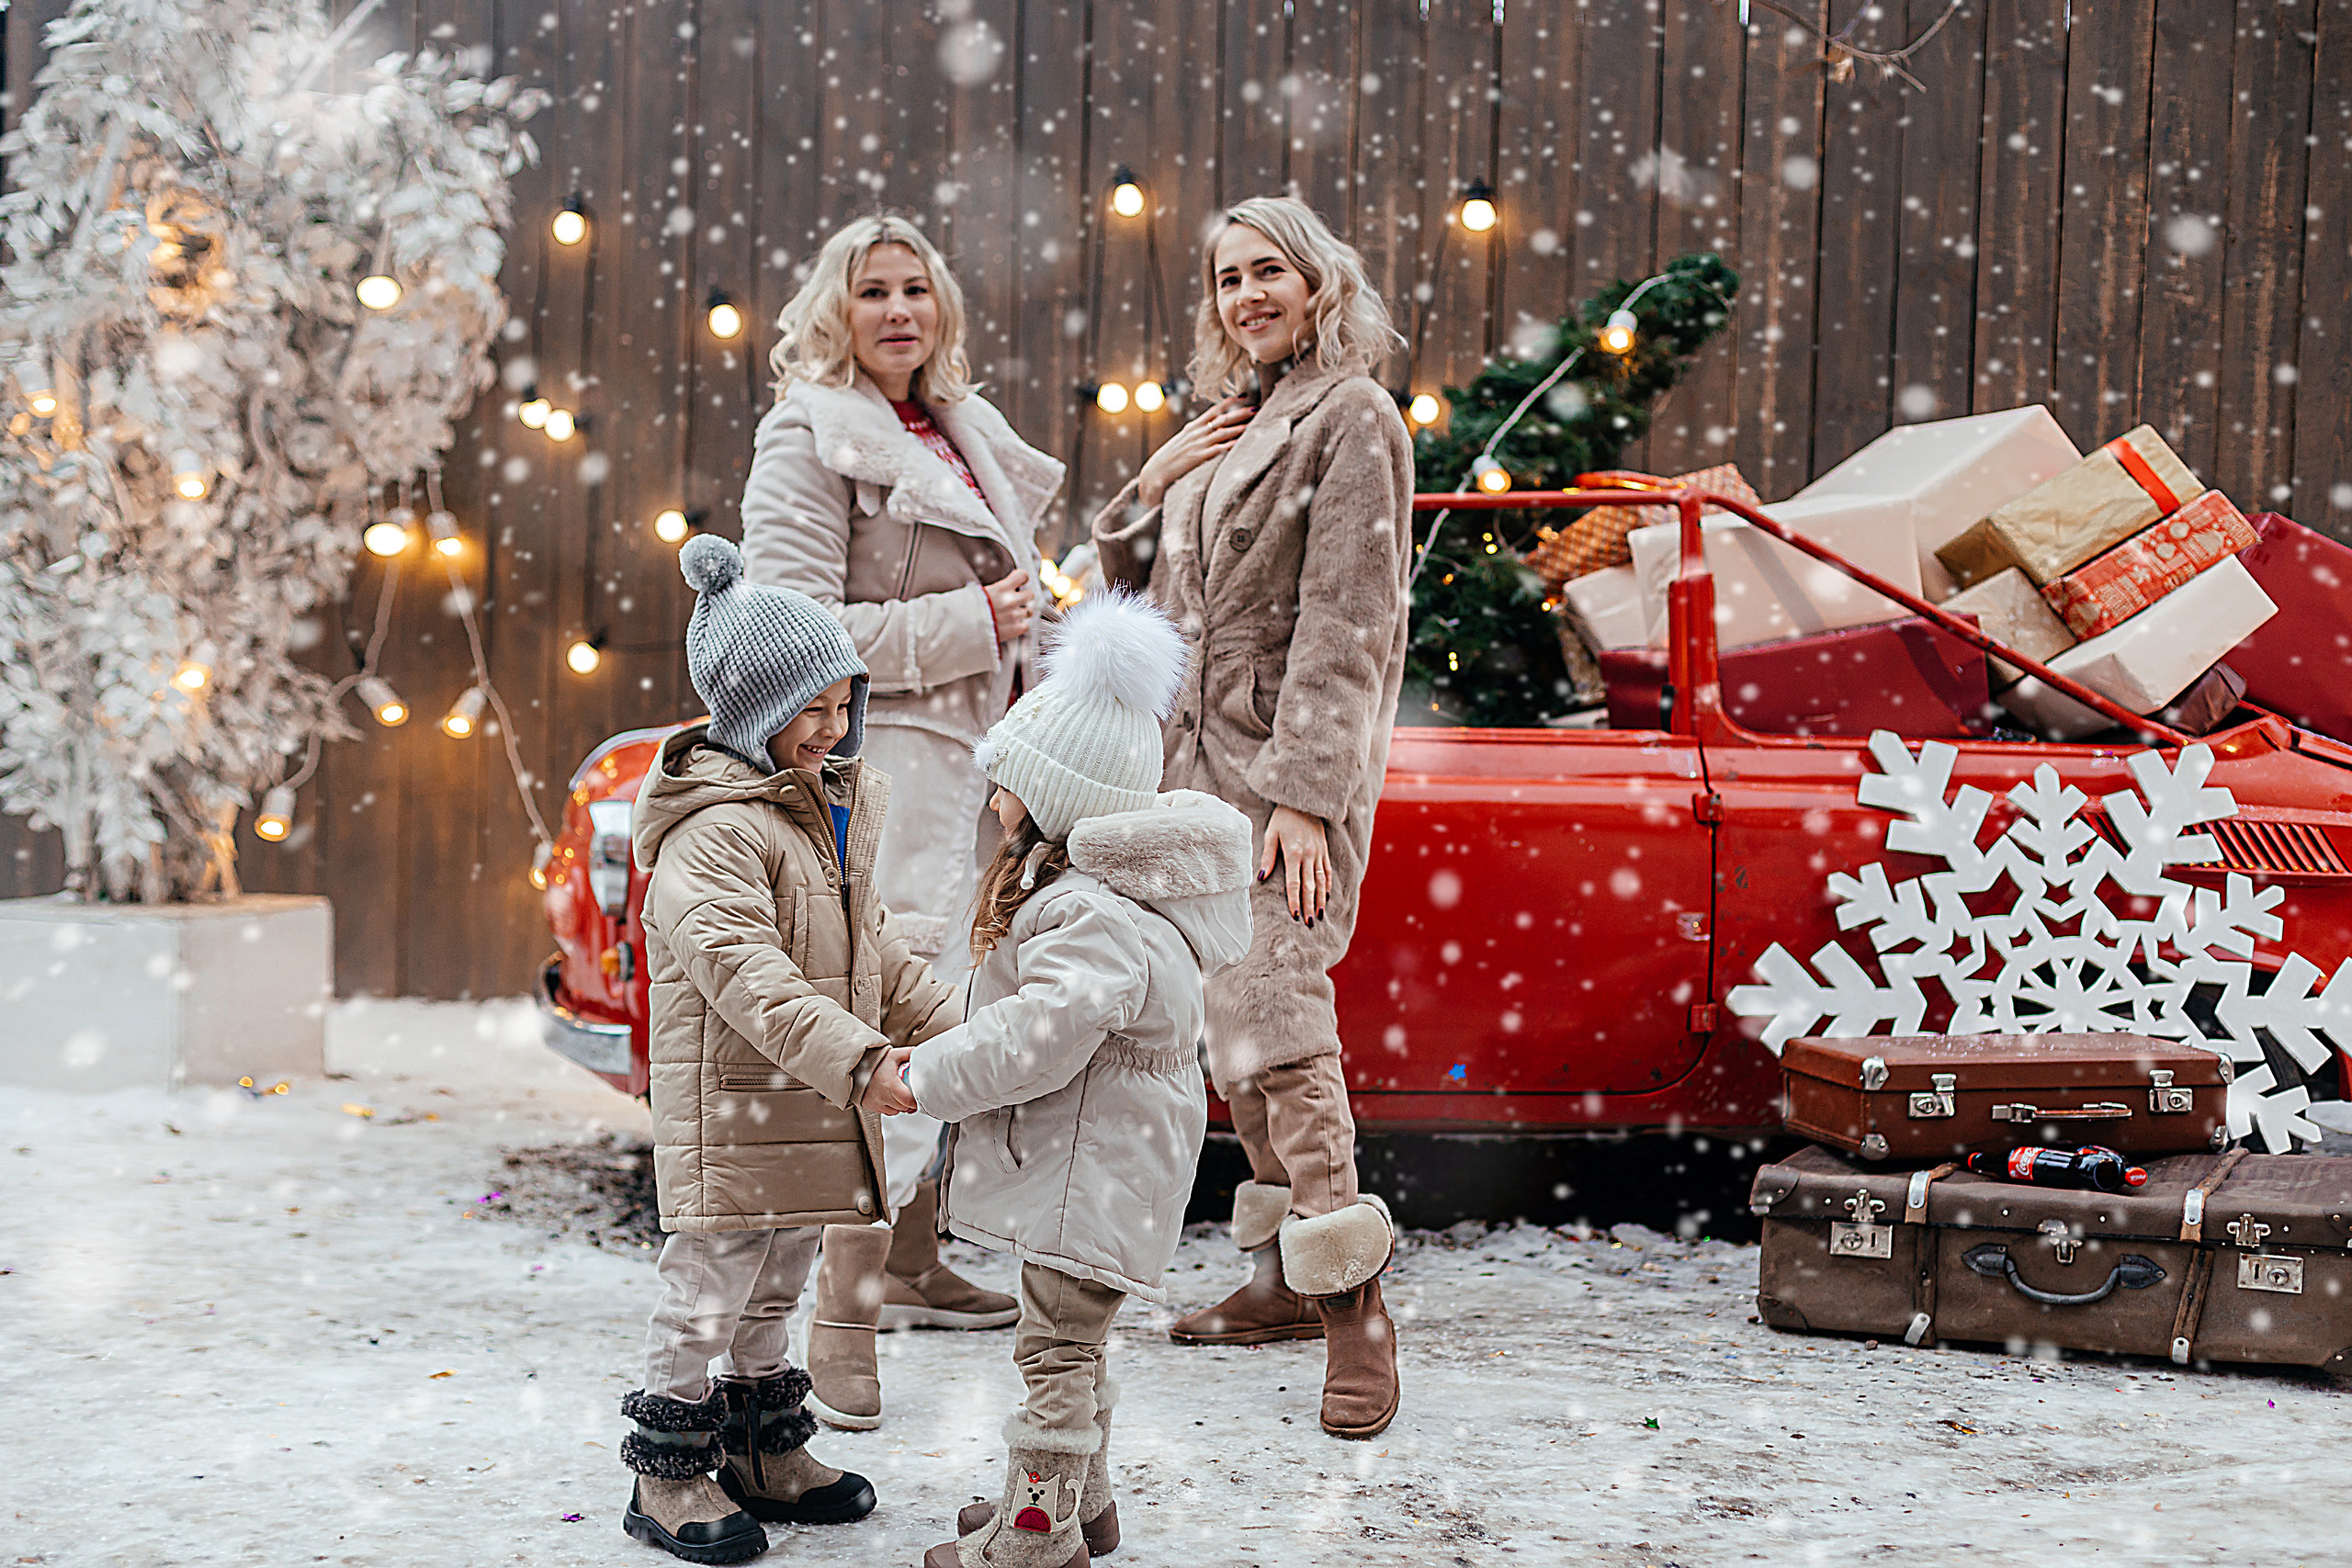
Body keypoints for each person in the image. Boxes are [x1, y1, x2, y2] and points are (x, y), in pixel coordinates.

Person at [1091, 195, 1414, 1439]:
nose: (1246, 297)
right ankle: (1281, 1276)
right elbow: (1123, 583)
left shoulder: (1354, 417)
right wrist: (1155, 476)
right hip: (1185, 774)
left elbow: (1349, 621)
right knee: (1229, 1029)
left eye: (1267, 270)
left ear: (1318, 279)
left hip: (1279, 775)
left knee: (1283, 1025)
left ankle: (1355, 1308)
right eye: (1228, 278)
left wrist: (1307, 800)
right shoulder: (1228, 428)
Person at [740, 215, 1064, 1425]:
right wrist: (972, 621)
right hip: (888, 774)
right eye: (871, 290)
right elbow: (786, 636)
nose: (896, 310)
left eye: (915, 288)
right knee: (889, 1019)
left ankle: (918, 1255)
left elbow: (1006, 598)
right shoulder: (808, 436)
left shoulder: (957, 428)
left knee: (961, 1008)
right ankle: (844, 1311)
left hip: (985, 774)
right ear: (838, 308)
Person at [616, 534, 959, 1564]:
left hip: (804, 1106)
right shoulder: (711, 834)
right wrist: (864, 1062)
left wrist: (971, 1035)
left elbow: (879, 956)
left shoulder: (818, 816)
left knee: (778, 1281)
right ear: (759, 711)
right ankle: (664, 1475)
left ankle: (764, 1449)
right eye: (812, 706)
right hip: (736, 1107)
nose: (835, 725)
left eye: (844, 702)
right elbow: (748, 978)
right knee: (707, 1291)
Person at [900, 591, 1254, 1568]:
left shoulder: (1087, 910)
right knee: (1071, 1339)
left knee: (1053, 1349)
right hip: (1098, 1166)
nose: (992, 797)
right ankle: (1077, 1502)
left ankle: (1035, 1533)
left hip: (1086, 1174)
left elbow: (1037, 1036)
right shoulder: (1103, 901)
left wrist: (925, 1077)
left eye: (1006, 780)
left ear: (1055, 795)